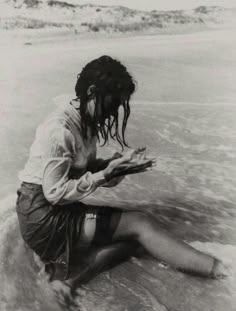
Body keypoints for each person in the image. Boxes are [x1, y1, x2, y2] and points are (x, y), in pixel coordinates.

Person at [16, 55, 226, 287]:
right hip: (42, 215)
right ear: (92, 91)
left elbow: (80, 170)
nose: (113, 111)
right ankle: (222, 272)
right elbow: (54, 192)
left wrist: (117, 166)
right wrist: (107, 173)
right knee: (141, 224)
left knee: (136, 241)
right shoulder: (59, 130)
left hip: (54, 207)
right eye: (112, 102)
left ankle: (69, 282)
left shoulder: (85, 118)